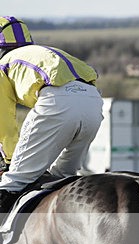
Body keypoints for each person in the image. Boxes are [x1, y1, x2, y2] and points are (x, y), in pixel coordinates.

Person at [0, 16, 103, 212]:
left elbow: (3, 121)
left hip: (58, 103)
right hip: (93, 102)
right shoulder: (41, 51)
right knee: (62, 178)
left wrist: (10, 161)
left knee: (14, 181)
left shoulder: (2, 64)